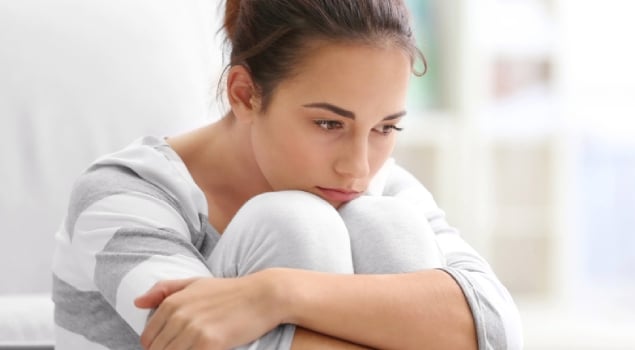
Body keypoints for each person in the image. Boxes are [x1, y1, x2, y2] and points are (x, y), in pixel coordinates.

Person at [52, 0, 523, 349]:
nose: (358, 167)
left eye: (385, 127)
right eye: (328, 123)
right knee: (296, 222)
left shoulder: (380, 185)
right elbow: (209, 339)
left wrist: (275, 293)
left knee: (387, 222)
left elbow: (497, 327)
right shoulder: (124, 194)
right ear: (244, 94)